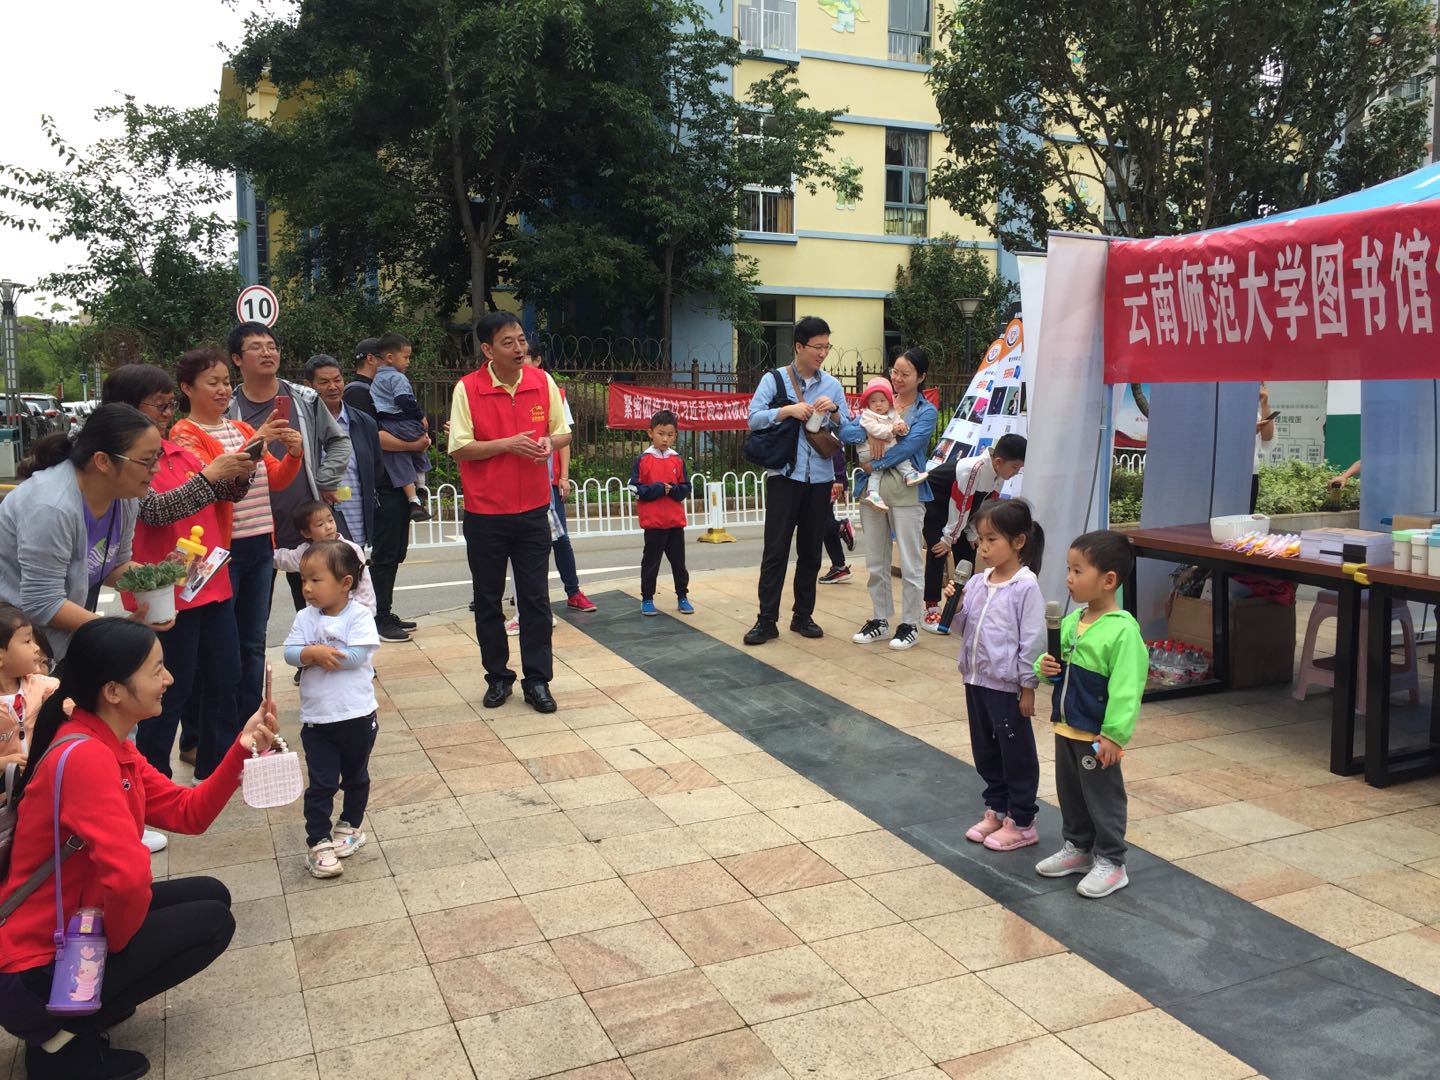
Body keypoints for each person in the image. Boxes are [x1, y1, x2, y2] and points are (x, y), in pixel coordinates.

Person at [0, 617, 279, 1080]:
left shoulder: (105, 742)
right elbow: (128, 879)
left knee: (210, 894)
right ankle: (59, 1043)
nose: (168, 679)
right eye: (156, 670)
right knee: (210, 923)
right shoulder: (87, 757)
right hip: (31, 971)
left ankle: (87, 1007)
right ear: (113, 691)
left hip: (65, 926)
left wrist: (243, 747)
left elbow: (189, 814)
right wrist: (109, 951)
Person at [101, 363, 256, 780]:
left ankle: (216, 769)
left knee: (225, 677)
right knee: (168, 689)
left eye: (171, 404)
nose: (169, 413)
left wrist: (242, 471)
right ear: (127, 408)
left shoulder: (177, 451)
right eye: (161, 405)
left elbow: (220, 493)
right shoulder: (124, 462)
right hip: (163, 594)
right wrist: (210, 476)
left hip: (209, 582)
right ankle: (153, 781)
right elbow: (155, 510)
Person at [171, 347, 303, 723]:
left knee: (253, 640)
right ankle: (207, 731)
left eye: (226, 382)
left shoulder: (240, 429)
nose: (223, 390)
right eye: (212, 383)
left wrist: (294, 454)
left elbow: (276, 478)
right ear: (187, 388)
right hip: (217, 552)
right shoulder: (184, 433)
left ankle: (250, 723)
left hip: (260, 543)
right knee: (216, 647)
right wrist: (259, 440)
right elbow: (216, 480)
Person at [448, 311, 572, 714]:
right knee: (487, 599)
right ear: (488, 349)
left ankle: (538, 681)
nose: (519, 348)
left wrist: (549, 444)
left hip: (534, 510)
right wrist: (507, 444)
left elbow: (563, 431)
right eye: (508, 342)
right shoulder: (468, 389)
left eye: (521, 340)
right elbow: (460, 447)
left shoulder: (542, 381)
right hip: (485, 512)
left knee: (536, 599)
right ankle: (498, 677)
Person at [1035, 529, 1148, 899]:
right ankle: (1079, 847)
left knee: (1103, 797)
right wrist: (1043, 668)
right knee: (1070, 792)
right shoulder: (1072, 621)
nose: (1069, 578)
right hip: (1067, 727)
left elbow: (1127, 690)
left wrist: (1114, 734)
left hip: (1096, 735)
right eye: (1068, 569)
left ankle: (1112, 861)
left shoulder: (1122, 632)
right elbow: (1052, 663)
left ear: (1108, 580)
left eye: (1078, 570)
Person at [0, 404, 158, 664]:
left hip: (62, 642)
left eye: (157, 458)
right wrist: (116, 632)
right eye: (146, 461)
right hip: (19, 654)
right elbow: (42, 602)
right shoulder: (51, 507)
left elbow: (115, 565)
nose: (156, 469)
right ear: (103, 461)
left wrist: (162, 579)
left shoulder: (124, 498)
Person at [225, 321, 351, 633]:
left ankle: (318, 658)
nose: (267, 353)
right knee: (250, 622)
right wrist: (259, 438)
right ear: (237, 359)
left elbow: (339, 441)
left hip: (305, 524)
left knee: (319, 609)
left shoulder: (304, 398)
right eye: (256, 348)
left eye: (272, 346)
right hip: (252, 528)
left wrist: (323, 480)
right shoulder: (228, 408)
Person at [943, 500, 1045, 852]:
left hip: (1006, 686)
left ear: (1018, 542)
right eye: (980, 540)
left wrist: (1027, 686)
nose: (982, 548)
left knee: (1015, 752)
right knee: (985, 750)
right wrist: (955, 606)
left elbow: (1032, 640)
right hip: (976, 680)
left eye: (991, 540)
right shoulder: (975, 581)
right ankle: (997, 808)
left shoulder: (1024, 587)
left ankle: (1022, 820)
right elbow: (963, 628)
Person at [743, 315, 852, 646]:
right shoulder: (774, 379)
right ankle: (766, 620)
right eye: (817, 347)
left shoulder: (832, 385)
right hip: (784, 476)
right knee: (775, 549)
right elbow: (753, 419)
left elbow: (848, 429)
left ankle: (803, 615)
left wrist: (834, 411)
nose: (823, 353)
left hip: (819, 478)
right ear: (799, 347)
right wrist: (787, 411)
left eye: (827, 346)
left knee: (810, 551)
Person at [283, 540, 380, 879]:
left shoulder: (359, 616)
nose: (307, 588)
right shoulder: (304, 617)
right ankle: (319, 842)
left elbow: (356, 657)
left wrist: (315, 654)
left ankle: (351, 825)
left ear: (345, 583)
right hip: (318, 720)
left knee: (356, 776)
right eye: (303, 580)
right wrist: (309, 654)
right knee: (321, 783)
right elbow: (290, 653)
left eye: (315, 580)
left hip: (357, 715)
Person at [840, 348, 939, 651]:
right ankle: (880, 619)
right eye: (895, 371)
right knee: (875, 561)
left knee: (910, 562)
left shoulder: (926, 411)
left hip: (907, 493)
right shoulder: (878, 399)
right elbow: (846, 431)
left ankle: (910, 624)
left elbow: (910, 446)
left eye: (905, 373)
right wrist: (870, 434)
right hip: (872, 495)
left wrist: (875, 462)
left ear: (921, 377)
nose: (897, 378)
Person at [345, 337, 423, 643]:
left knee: (395, 551)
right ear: (371, 359)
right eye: (382, 357)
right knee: (385, 553)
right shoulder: (358, 392)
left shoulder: (378, 388)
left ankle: (385, 610)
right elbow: (374, 437)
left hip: (396, 481)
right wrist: (414, 444)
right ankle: (377, 617)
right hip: (381, 484)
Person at [925, 433, 1028, 634]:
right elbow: (960, 503)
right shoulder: (973, 469)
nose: (1016, 472)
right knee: (938, 552)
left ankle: (963, 605)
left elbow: (985, 504)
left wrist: (973, 533)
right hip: (936, 505)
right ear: (998, 461)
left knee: (967, 555)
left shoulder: (1000, 473)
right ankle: (932, 608)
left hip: (961, 512)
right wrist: (948, 538)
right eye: (1015, 467)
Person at [631, 410, 693, 616]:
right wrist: (658, 488)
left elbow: (686, 487)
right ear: (650, 433)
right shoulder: (643, 459)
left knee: (679, 564)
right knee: (651, 563)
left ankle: (682, 596)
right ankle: (647, 598)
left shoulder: (678, 460)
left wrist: (673, 490)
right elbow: (634, 488)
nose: (665, 439)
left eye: (670, 434)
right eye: (661, 434)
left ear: (675, 435)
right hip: (654, 523)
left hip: (675, 522)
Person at [0, 604, 58, 815]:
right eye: (27, 641)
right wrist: (3, 763)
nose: (36, 648)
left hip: (36, 789)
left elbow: (70, 701)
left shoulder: (41, 686)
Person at [370, 332, 433, 523]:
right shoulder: (398, 377)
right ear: (390, 357)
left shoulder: (377, 378)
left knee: (399, 457)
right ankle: (421, 488)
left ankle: (413, 499)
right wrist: (420, 416)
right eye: (406, 357)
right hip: (403, 420)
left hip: (386, 423)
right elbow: (404, 400)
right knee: (422, 444)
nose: (408, 362)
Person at [275, 501, 377, 614]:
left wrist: (367, 612)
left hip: (350, 614)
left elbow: (364, 584)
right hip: (318, 615)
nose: (328, 527)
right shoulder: (306, 553)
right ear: (306, 533)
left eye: (330, 520)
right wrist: (264, 554)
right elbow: (283, 559)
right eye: (320, 525)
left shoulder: (351, 549)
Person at [855, 376, 928, 511]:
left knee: (877, 471)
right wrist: (889, 430)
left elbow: (898, 422)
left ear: (889, 401)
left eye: (882, 401)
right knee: (898, 454)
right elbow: (872, 428)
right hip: (869, 450)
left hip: (880, 451)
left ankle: (873, 492)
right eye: (873, 401)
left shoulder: (892, 412)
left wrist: (902, 428)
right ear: (867, 403)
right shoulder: (867, 414)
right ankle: (908, 474)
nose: (878, 404)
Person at [818, 447, 855, 585]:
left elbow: (835, 449)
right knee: (824, 524)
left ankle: (841, 527)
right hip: (824, 481)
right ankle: (839, 567)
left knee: (819, 522)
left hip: (824, 482)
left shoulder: (829, 433)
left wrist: (839, 479)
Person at [1252, 380, 1276, 512]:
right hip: (1226, 471)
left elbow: (1267, 436)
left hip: (1251, 471)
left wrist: (1264, 403)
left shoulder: (1255, 413)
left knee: (1247, 515)